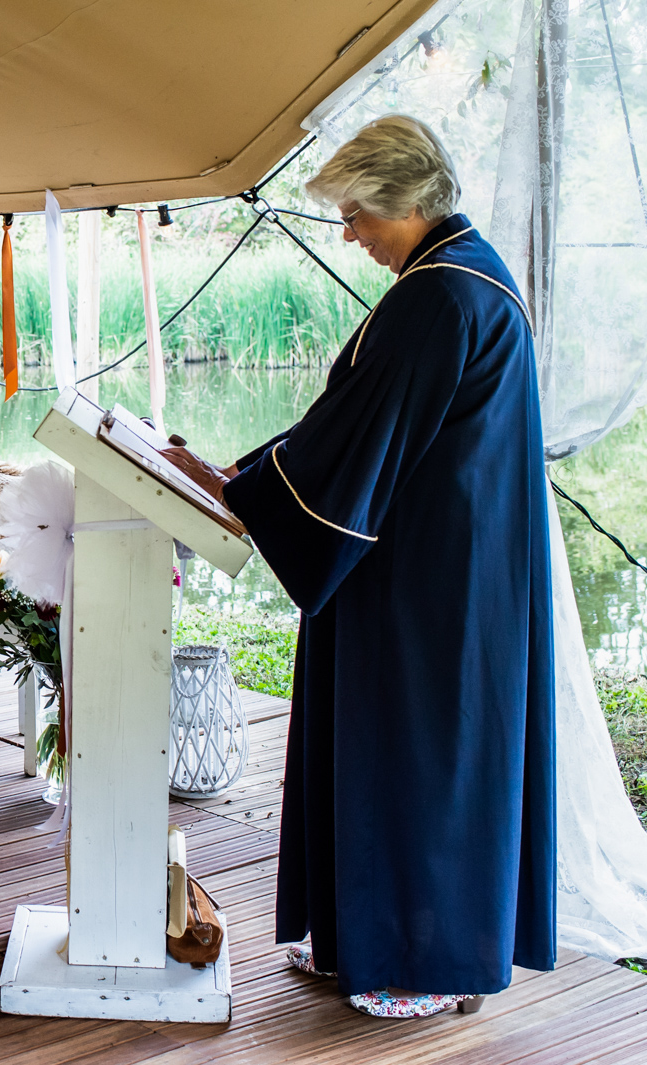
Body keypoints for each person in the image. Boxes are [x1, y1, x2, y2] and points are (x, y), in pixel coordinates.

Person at [164, 115, 555, 1018]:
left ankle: (428, 964)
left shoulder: (442, 294)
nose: (350, 234)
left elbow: (357, 440)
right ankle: (375, 946)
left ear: (414, 201)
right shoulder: (463, 274)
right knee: (407, 757)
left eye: (357, 214)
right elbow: (354, 429)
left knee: (419, 762)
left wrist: (245, 486)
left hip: (429, 584)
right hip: (444, 569)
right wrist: (244, 478)